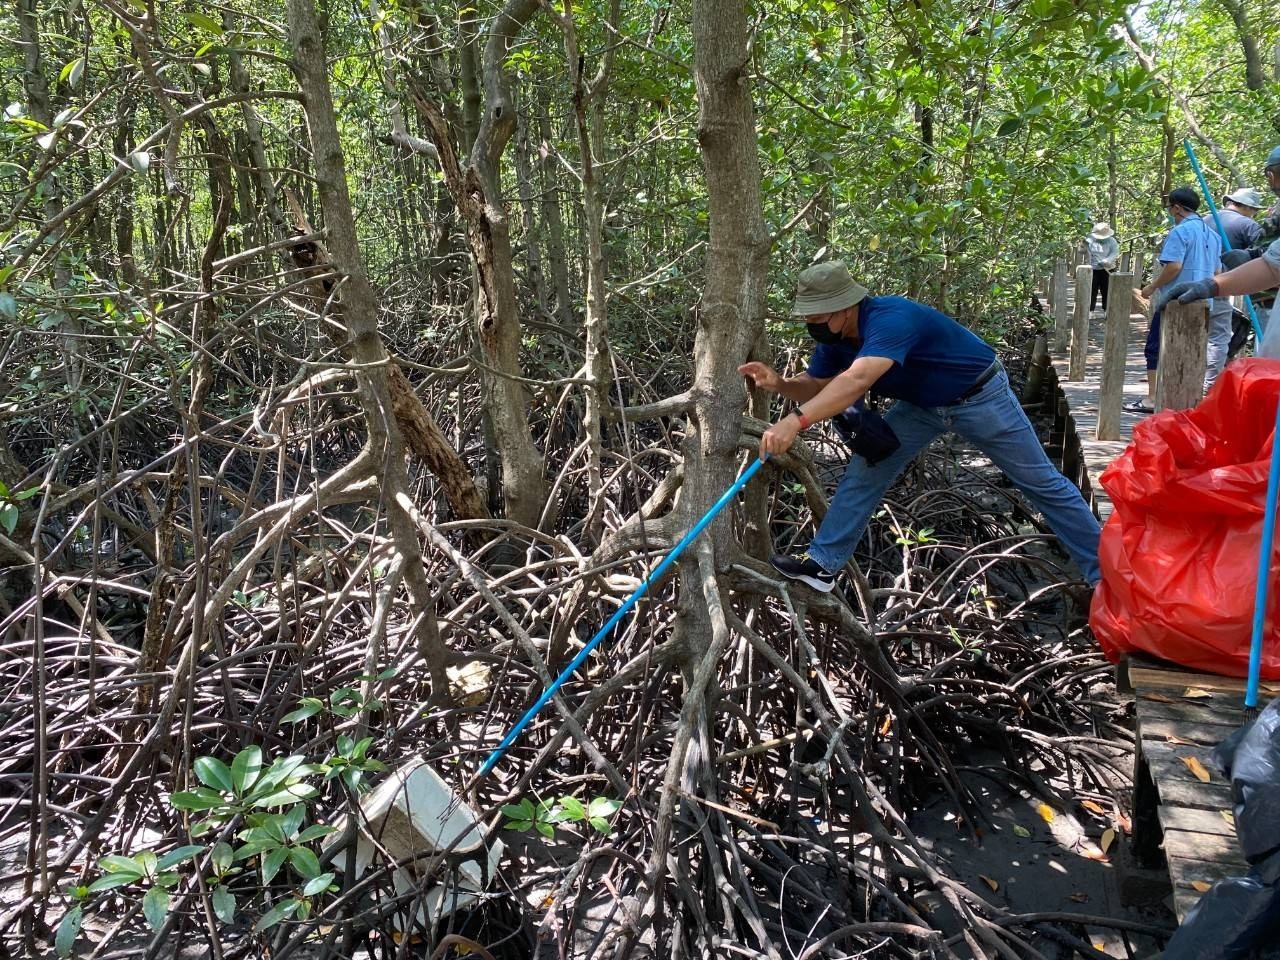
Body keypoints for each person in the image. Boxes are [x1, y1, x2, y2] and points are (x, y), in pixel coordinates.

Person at [740, 260, 1102, 593]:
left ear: (845, 307)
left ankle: (1106, 574)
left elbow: (857, 380)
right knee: (865, 473)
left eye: (817, 318)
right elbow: (818, 383)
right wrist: (783, 385)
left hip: (981, 397)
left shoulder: (891, 318)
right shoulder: (835, 339)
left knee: (1042, 484)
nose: (812, 325)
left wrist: (795, 421)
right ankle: (823, 566)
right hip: (922, 407)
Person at [1128, 187, 1222, 413]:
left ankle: (1152, 399)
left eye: (1170, 208)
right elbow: (1218, 272)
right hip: (1203, 304)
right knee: (1193, 353)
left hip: (1176, 304)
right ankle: (1187, 403)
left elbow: (1174, 266)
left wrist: (1152, 287)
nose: (1170, 212)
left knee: (1154, 349)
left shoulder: (1180, 232)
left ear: (1177, 207)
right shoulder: (1214, 235)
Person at [1204, 187, 1265, 389]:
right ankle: (1209, 385)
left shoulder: (1205, 219)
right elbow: (1266, 251)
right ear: (1246, 207)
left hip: (1198, 282)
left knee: (1199, 332)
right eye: (1254, 210)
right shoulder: (1247, 224)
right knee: (1219, 336)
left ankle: (1195, 379)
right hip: (1224, 285)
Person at [1085, 222, 1120, 314]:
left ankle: (1107, 309)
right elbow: (1083, 250)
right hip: (1093, 269)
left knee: (1107, 290)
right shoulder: (1089, 240)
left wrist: (1108, 260)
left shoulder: (1112, 241)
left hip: (1107, 269)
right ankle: (1090, 310)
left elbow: (1115, 252)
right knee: (1092, 289)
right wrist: (1082, 246)